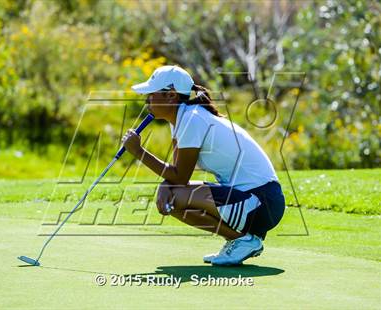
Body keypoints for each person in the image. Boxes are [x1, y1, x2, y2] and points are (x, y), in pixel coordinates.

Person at [122, 65, 285, 266]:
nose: (146, 99)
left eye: (151, 93)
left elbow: (180, 177)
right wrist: (165, 184)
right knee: (171, 199)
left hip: (263, 201)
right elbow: (176, 174)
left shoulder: (192, 119)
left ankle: (243, 241)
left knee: (173, 196)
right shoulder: (182, 118)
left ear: (171, 96)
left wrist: (138, 152)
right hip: (249, 200)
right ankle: (240, 240)